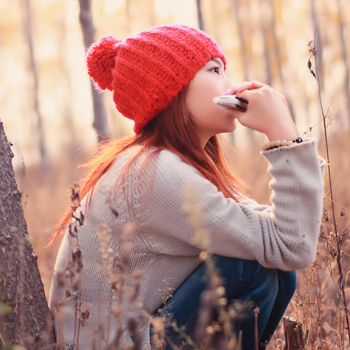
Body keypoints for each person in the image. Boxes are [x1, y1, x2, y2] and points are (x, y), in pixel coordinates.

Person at [49, 25, 324, 350]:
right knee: (251, 267)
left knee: (276, 270)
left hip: (142, 337)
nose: (230, 85)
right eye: (215, 70)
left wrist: (286, 134)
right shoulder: (153, 172)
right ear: (172, 88)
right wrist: (281, 132)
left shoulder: (169, 163)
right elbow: (291, 244)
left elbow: (280, 239)